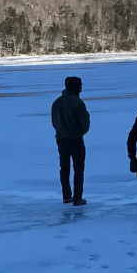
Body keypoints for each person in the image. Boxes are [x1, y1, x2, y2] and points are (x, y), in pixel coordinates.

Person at [51, 76, 90, 205]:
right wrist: (80, 131)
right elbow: (84, 122)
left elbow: (54, 122)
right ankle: (77, 198)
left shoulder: (57, 102)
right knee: (78, 169)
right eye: (80, 86)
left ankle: (67, 196)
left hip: (61, 139)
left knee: (64, 168)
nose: (81, 89)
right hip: (76, 139)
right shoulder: (78, 103)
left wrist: (61, 131)